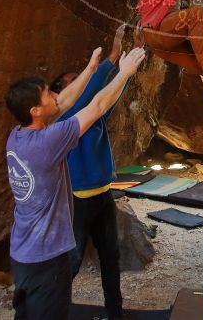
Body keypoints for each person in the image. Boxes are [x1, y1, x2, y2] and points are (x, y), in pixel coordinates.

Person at [4, 46, 146, 320]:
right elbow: (97, 106)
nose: (56, 95)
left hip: (23, 253)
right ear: (35, 110)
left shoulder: (18, 136)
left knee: (24, 314)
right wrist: (125, 73)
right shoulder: (49, 141)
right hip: (47, 257)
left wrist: (93, 67)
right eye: (48, 94)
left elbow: (66, 102)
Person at [49, 24, 127, 320]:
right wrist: (115, 58)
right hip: (77, 202)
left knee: (111, 258)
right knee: (71, 263)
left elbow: (107, 96)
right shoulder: (63, 118)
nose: (82, 83)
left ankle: (115, 313)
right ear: (60, 95)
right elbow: (91, 95)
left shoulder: (93, 116)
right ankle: (48, 311)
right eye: (73, 83)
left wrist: (125, 69)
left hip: (102, 198)